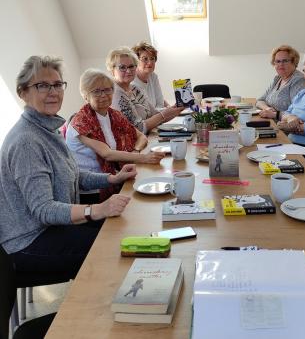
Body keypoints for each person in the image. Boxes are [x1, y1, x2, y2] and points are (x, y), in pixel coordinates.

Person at [0, 56, 136, 278]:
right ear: (22, 92)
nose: (53, 92)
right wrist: (97, 209)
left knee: (121, 228)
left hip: (55, 227)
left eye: (57, 84)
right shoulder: (26, 141)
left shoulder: (48, 128)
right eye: (42, 85)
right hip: (28, 242)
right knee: (114, 247)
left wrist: (112, 178)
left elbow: (72, 174)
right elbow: (44, 210)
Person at [66, 69, 165, 203]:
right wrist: (143, 158)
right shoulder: (81, 122)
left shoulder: (114, 115)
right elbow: (107, 154)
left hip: (117, 179)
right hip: (92, 191)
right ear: (85, 96)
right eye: (96, 91)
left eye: (107, 90)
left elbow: (141, 137)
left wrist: (135, 152)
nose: (103, 95)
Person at [107, 46, 183, 133]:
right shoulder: (115, 93)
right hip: (134, 140)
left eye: (131, 66)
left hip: (149, 136)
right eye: (122, 67)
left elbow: (154, 114)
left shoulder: (135, 88)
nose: (128, 71)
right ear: (112, 70)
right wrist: (164, 115)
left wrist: (178, 108)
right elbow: (137, 129)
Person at [256, 45, 305, 120]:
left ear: (294, 62)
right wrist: (267, 109)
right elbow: (260, 101)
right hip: (270, 121)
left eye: (285, 61)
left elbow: (298, 112)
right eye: (278, 61)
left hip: (286, 125)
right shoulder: (277, 78)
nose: (281, 64)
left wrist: (275, 114)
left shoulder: (299, 80)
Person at [132, 41, 169, 110]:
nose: (150, 63)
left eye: (152, 58)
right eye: (145, 59)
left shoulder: (153, 76)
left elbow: (160, 103)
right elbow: (142, 112)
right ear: (136, 61)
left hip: (158, 115)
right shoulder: (131, 81)